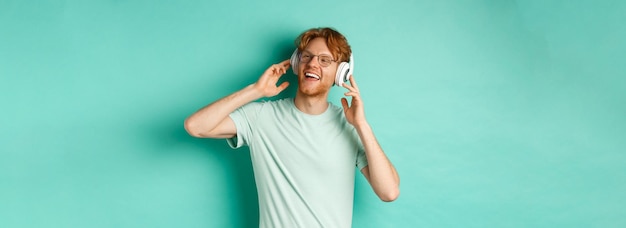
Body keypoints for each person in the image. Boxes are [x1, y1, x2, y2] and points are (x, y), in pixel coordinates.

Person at [184, 27, 399, 228]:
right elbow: (195, 126)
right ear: (297, 63)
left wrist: (362, 125)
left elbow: (388, 192)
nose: (313, 63)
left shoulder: (350, 126)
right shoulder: (261, 117)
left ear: (341, 73)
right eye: (307, 56)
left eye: (325, 60)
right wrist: (256, 90)